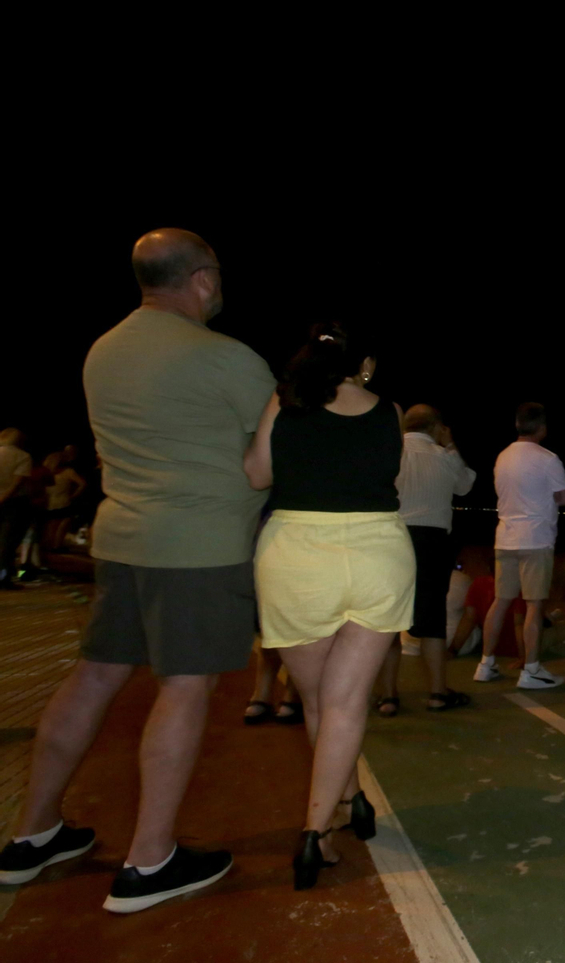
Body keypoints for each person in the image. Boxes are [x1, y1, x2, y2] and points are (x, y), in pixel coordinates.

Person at [0, 229, 272, 911]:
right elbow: (271, 455)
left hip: (122, 540)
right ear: (203, 279)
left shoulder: (104, 350)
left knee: (94, 674)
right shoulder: (227, 359)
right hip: (199, 547)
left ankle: (32, 834)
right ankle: (150, 861)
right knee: (185, 686)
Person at [244, 322, 415, 891]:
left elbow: (256, 474)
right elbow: (387, 474)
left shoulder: (285, 399)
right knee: (343, 703)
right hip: (377, 554)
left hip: (296, 556)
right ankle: (340, 807)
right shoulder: (389, 409)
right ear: (363, 364)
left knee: (320, 701)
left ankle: (320, 830)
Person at [376, 405, 477, 713]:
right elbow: (466, 485)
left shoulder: (391, 452)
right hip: (433, 542)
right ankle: (436, 693)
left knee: (388, 620)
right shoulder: (444, 456)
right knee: (432, 620)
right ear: (436, 427)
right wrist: (450, 444)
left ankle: (388, 697)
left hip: (392, 537)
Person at [478, 403, 565, 689]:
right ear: (541, 427)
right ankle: (531, 670)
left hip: (505, 536)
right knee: (534, 604)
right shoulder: (547, 458)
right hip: (536, 538)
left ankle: (485, 663)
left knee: (501, 600)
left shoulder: (502, 457)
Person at [0, 428, 36, 587]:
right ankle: (3, 577)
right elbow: (17, 482)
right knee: (8, 542)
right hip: (14, 503)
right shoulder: (23, 456)